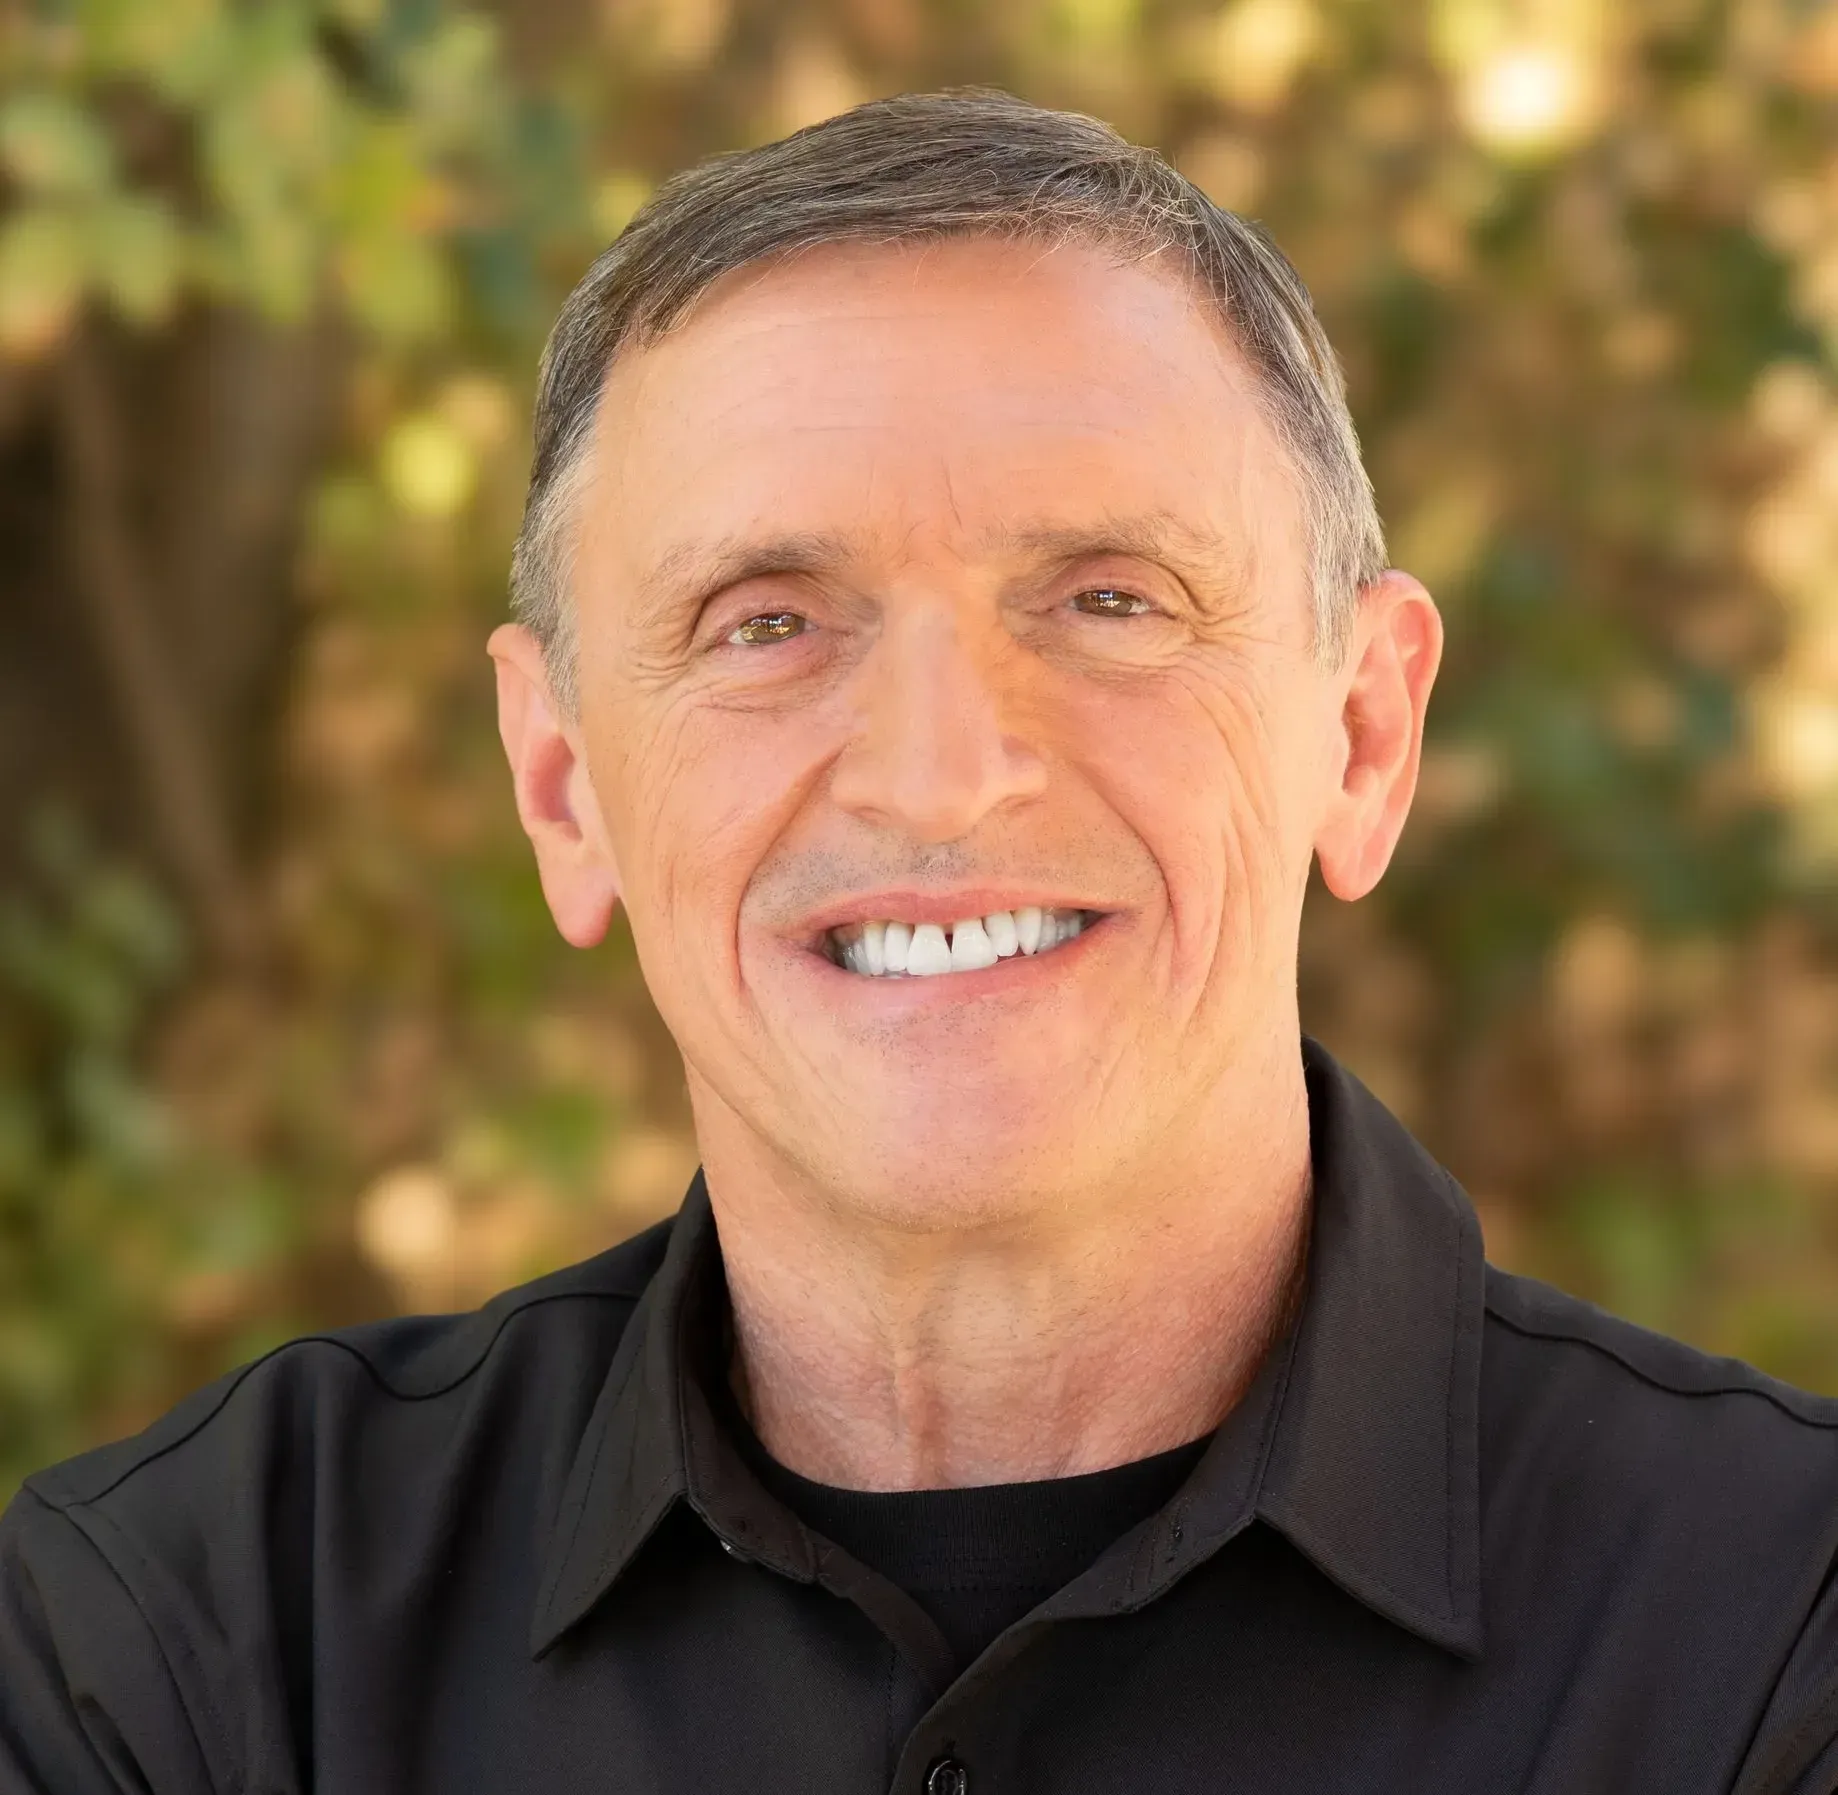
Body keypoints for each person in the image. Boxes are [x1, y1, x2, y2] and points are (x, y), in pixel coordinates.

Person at [3, 88, 1836, 1795]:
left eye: (1108, 599)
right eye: (766, 621)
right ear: (562, 785)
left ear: (1360, 734)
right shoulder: (184, 1654)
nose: (941, 779)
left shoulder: (1776, 1633)